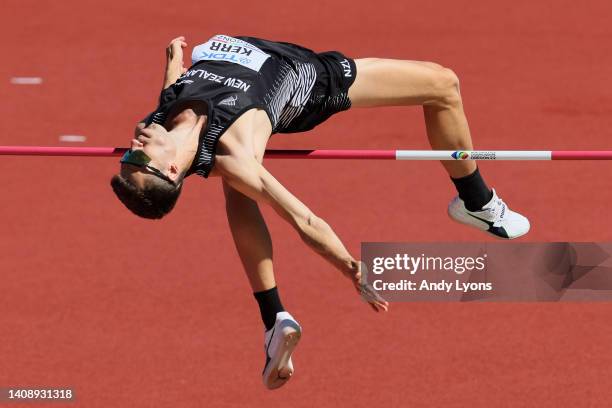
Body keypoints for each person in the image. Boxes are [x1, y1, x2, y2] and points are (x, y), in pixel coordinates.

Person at [110, 34, 530, 389]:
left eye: (129, 155)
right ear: (169, 168)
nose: (135, 144)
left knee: (237, 186)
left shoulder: (160, 120)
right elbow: (303, 219)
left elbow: (170, 101)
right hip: (313, 80)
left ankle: (274, 318)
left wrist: (174, 63)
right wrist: (350, 267)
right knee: (443, 84)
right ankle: (476, 202)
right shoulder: (235, 150)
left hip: (264, 66)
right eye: (138, 155)